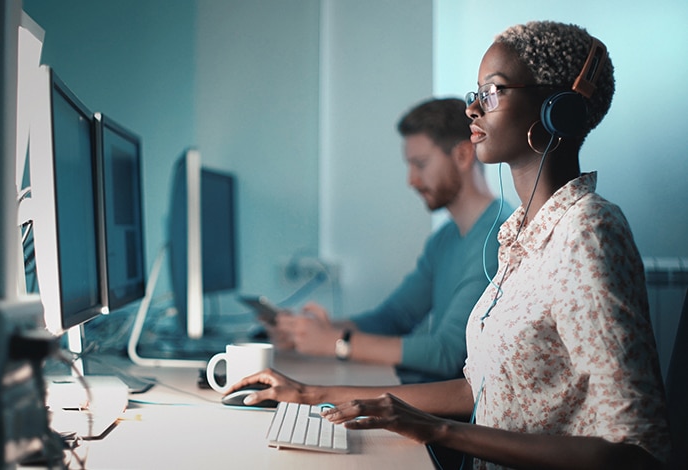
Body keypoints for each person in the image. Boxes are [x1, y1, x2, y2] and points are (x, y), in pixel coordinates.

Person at [227, 20, 671, 469]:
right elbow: (475, 389)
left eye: (493, 91)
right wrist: (309, 393)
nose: (474, 109)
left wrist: (437, 430)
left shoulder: (587, 230)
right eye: (474, 93)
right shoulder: (520, 234)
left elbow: (637, 452)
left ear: (556, 109)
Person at [270, 97, 512, 384]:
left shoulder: (500, 237)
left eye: (420, 164)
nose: (411, 180)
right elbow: (394, 318)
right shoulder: (445, 239)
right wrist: (312, 332)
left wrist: (337, 342)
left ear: (462, 155)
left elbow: (449, 353)